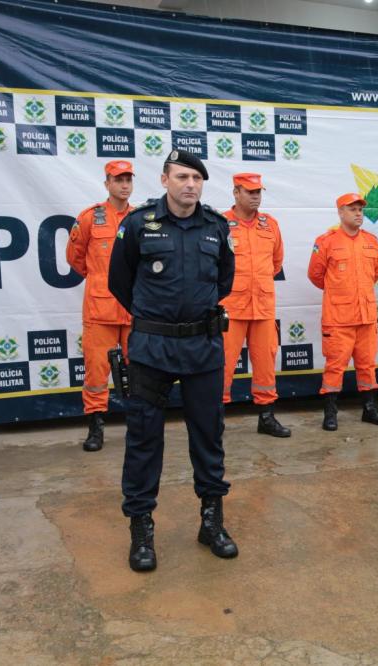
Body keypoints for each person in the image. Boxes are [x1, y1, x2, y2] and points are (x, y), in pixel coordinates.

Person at [108, 149, 237, 572]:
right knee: (144, 439)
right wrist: (158, 321)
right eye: (181, 176)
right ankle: (141, 528)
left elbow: (223, 281)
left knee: (208, 436)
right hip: (152, 350)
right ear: (164, 180)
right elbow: (119, 282)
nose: (190, 185)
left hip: (203, 349)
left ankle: (211, 521)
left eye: (197, 178)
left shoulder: (217, 227)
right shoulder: (138, 225)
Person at [66, 160, 134, 452]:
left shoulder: (143, 219)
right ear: (107, 183)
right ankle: (96, 427)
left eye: (128, 179)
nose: (124, 184)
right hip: (100, 311)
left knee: (140, 372)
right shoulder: (90, 218)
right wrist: (99, 281)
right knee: (96, 372)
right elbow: (75, 258)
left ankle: (139, 426)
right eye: (118, 179)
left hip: (134, 311)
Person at [307, 193, 378, 431]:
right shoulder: (326, 241)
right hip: (339, 319)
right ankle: (330, 413)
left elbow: (376, 272)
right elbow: (315, 275)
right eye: (352, 209)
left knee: (367, 365)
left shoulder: (371, 242)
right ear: (340, 212)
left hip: (366, 317)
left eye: (360, 209)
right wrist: (339, 292)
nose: (358, 213)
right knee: (335, 367)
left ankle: (369, 409)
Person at [220, 172, 290, 437]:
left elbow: (276, 262)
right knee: (223, 365)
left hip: (262, 307)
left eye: (258, 191)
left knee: (265, 363)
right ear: (236, 192)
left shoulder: (269, 225)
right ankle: (216, 420)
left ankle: (266, 417)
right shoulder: (221, 224)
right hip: (231, 309)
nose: (256, 196)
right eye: (250, 192)